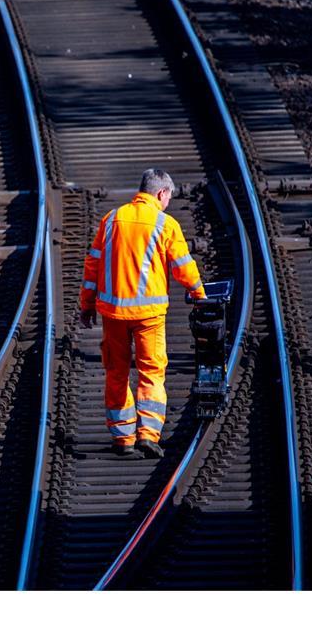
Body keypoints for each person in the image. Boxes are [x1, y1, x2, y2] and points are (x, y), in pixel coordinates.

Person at [79, 168, 205, 458]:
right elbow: (183, 266)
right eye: (168, 197)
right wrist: (199, 295)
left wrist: (86, 305)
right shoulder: (165, 223)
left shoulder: (111, 220)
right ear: (161, 193)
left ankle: (123, 438)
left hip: (113, 314)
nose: (168, 202)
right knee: (151, 372)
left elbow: (92, 267)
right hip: (149, 316)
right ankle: (148, 435)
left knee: (116, 373)